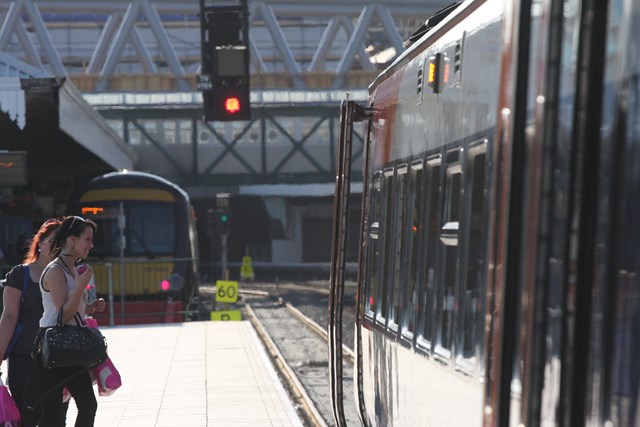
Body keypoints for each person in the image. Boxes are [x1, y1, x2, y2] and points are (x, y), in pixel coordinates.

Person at [35, 215, 104, 427]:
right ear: (72, 240)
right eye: (87, 239)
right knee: (52, 410)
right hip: (53, 346)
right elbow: (62, 314)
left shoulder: (72, 268)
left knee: (88, 404)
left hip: (70, 346)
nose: (91, 245)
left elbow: (73, 311)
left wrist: (90, 307)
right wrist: (82, 286)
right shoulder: (55, 270)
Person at [0, 218, 62, 426]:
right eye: (53, 241)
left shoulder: (67, 275)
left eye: (62, 243)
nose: (56, 248)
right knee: (27, 417)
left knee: (55, 417)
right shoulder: (20, 275)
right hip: (24, 357)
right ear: (41, 241)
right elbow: (9, 316)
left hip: (58, 358)